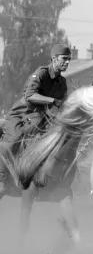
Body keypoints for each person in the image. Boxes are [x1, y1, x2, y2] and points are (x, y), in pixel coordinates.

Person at [0, 44, 72, 185]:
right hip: (22, 114)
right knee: (14, 138)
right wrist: (52, 100)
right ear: (54, 59)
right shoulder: (41, 73)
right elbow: (30, 95)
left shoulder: (62, 82)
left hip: (43, 118)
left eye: (69, 59)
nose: (67, 62)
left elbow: (61, 105)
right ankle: (2, 175)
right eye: (64, 58)